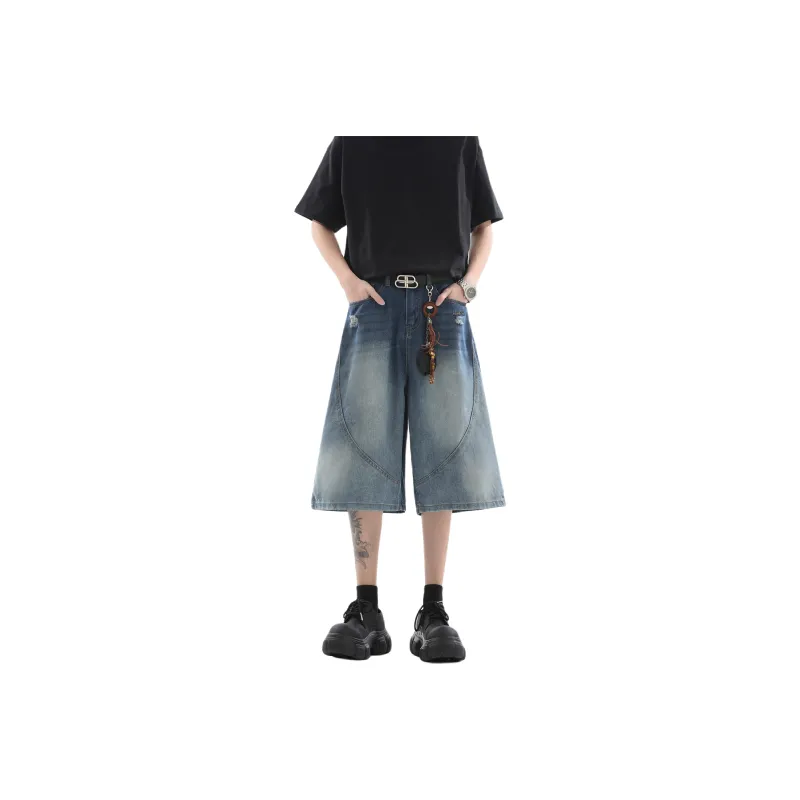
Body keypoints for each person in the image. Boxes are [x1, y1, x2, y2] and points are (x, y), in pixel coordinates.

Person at [295, 136, 505, 663]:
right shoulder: (354, 137)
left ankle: (433, 609)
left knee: (445, 452)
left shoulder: (458, 136)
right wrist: (347, 282)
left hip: (443, 304)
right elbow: (319, 220)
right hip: (374, 301)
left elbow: (484, 225)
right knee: (363, 447)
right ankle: (367, 608)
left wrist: (469, 287)